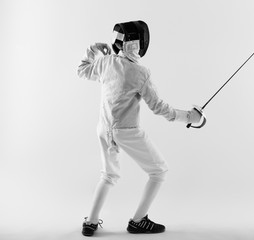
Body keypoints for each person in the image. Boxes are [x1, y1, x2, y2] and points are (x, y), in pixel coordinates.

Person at [77, 20, 202, 236]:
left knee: (108, 175)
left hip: (103, 129)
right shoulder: (140, 72)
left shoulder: (105, 62)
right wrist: (189, 116)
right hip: (126, 132)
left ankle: (90, 222)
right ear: (137, 44)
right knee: (159, 170)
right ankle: (138, 221)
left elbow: (82, 70)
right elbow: (159, 108)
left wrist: (93, 50)